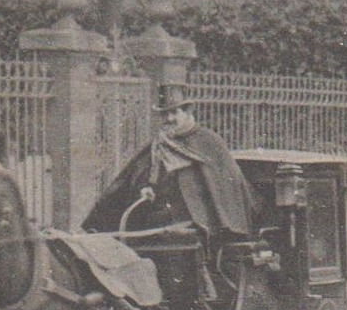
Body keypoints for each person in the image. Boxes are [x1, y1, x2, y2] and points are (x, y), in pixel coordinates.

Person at [82, 85, 261, 239]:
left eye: (174, 112)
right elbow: (136, 176)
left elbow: (226, 187)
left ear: (187, 112)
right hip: (158, 221)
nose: (169, 119)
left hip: (196, 222)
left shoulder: (209, 142)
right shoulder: (158, 144)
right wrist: (144, 187)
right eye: (164, 114)